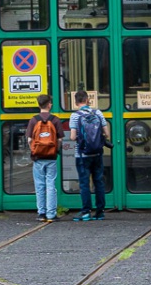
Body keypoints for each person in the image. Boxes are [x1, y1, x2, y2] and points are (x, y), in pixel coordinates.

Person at [68, 90, 109, 221]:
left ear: (76, 102)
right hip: (97, 153)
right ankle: (100, 212)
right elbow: (107, 134)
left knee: (84, 183)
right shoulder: (98, 113)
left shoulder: (75, 116)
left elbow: (73, 137)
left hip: (82, 155)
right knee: (98, 181)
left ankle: (86, 212)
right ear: (87, 100)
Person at [25, 95, 67, 223]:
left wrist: (34, 150)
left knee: (39, 185)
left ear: (38, 105)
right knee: (51, 185)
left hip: (38, 157)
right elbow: (60, 139)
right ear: (49, 105)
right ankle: (51, 214)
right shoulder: (55, 120)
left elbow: (29, 140)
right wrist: (55, 150)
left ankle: (41, 213)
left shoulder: (33, 120)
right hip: (51, 157)